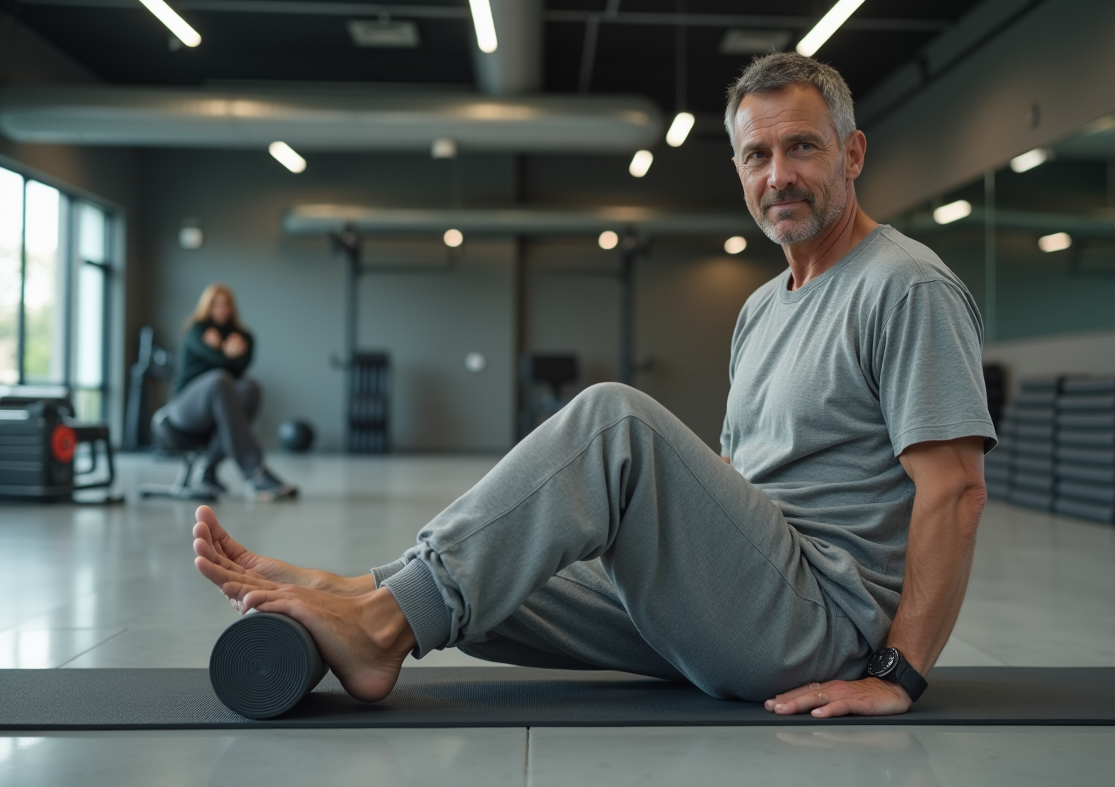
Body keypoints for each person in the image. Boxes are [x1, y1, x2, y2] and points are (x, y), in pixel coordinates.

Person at [193, 53, 994, 717]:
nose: (778, 174)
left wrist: (899, 674)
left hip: (815, 623)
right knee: (502, 577)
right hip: (747, 597)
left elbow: (953, 491)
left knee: (616, 421)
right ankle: (368, 592)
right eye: (758, 155)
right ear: (740, 171)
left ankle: (375, 626)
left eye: (803, 149)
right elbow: (739, 488)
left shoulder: (904, 287)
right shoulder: (761, 309)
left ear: (852, 155)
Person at [168, 283, 297, 501]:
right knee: (220, 379)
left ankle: (207, 470)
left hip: (220, 407)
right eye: (215, 304)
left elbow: (241, 367)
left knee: (249, 387)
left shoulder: (243, 336)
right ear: (207, 307)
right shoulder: (197, 330)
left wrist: (224, 352)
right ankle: (255, 472)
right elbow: (220, 364)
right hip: (186, 407)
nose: (221, 309)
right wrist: (226, 352)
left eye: (225, 304)